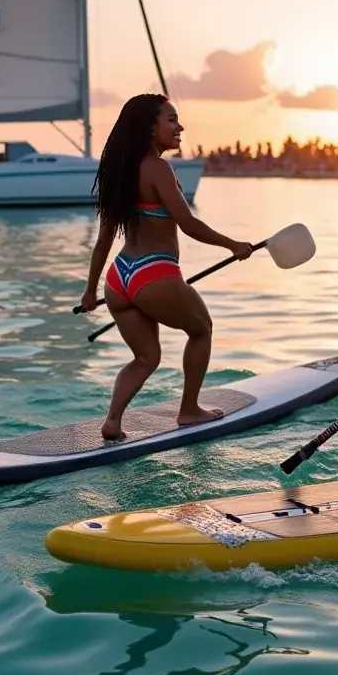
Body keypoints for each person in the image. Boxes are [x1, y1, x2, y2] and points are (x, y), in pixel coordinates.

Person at [79, 94, 254, 440]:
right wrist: (232, 245)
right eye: (172, 120)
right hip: (153, 273)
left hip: (119, 278)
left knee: (145, 357)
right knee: (201, 329)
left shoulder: (120, 172)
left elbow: (103, 241)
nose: (180, 127)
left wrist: (89, 290)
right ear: (150, 127)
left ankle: (113, 420)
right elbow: (188, 224)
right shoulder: (158, 168)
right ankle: (189, 410)